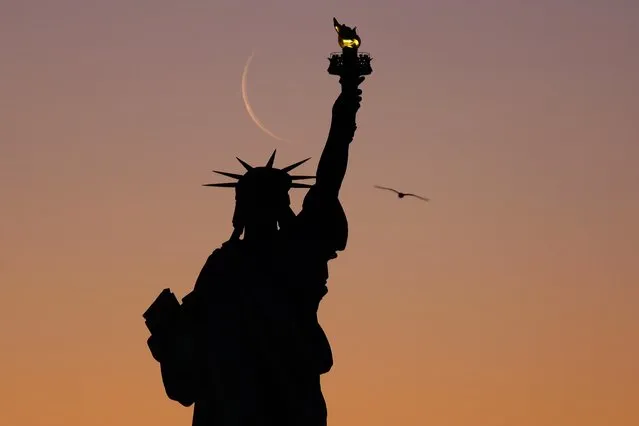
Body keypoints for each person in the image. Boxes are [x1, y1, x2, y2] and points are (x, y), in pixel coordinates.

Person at [146, 74, 365, 426]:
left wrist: (348, 99)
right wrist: (169, 327)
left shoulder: (290, 252)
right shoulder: (234, 262)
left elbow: (331, 170)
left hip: (277, 399)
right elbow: (192, 340)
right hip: (233, 401)